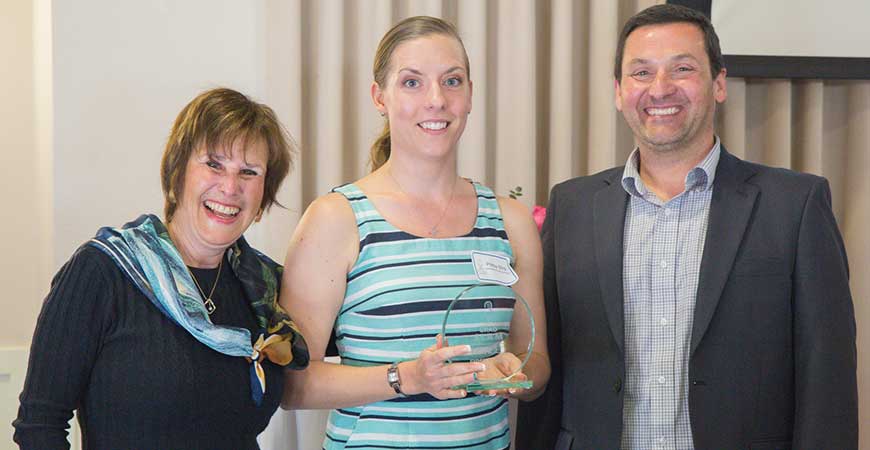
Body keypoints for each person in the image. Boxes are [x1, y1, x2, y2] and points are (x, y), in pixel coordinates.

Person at [516, 4, 858, 449]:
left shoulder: (794, 205)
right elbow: (551, 367)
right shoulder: (573, 206)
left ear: (718, 84)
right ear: (619, 91)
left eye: (682, 68)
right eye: (641, 73)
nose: (660, 89)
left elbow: (826, 376)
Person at [279, 16, 549, 450]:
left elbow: (536, 365)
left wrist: (515, 375)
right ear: (379, 97)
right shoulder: (336, 219)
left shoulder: (511, 223)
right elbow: (293, 386)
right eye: (412, 83)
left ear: (470, 96)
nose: (436, 100)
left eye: (452, 81)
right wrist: (406, 377)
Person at [13, 88, 309, 449]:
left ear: (264, 195)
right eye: (213, 164)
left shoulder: (263, 290)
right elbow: (39, 426)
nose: (230, 187)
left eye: (248, 172)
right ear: (178, 171)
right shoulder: (103, 272)